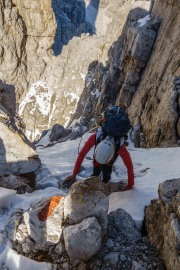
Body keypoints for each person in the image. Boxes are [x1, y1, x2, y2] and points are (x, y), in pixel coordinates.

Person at [62, 126, 134, 191]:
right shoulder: (96, 137)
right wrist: (74, 174)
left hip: (108, 162)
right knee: (97, 169)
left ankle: (105, 179)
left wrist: (130, 184)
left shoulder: (120, 146)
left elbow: (129, 166)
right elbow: (81, 155)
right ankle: (97, 174)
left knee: (106, 172)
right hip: (103, 158)